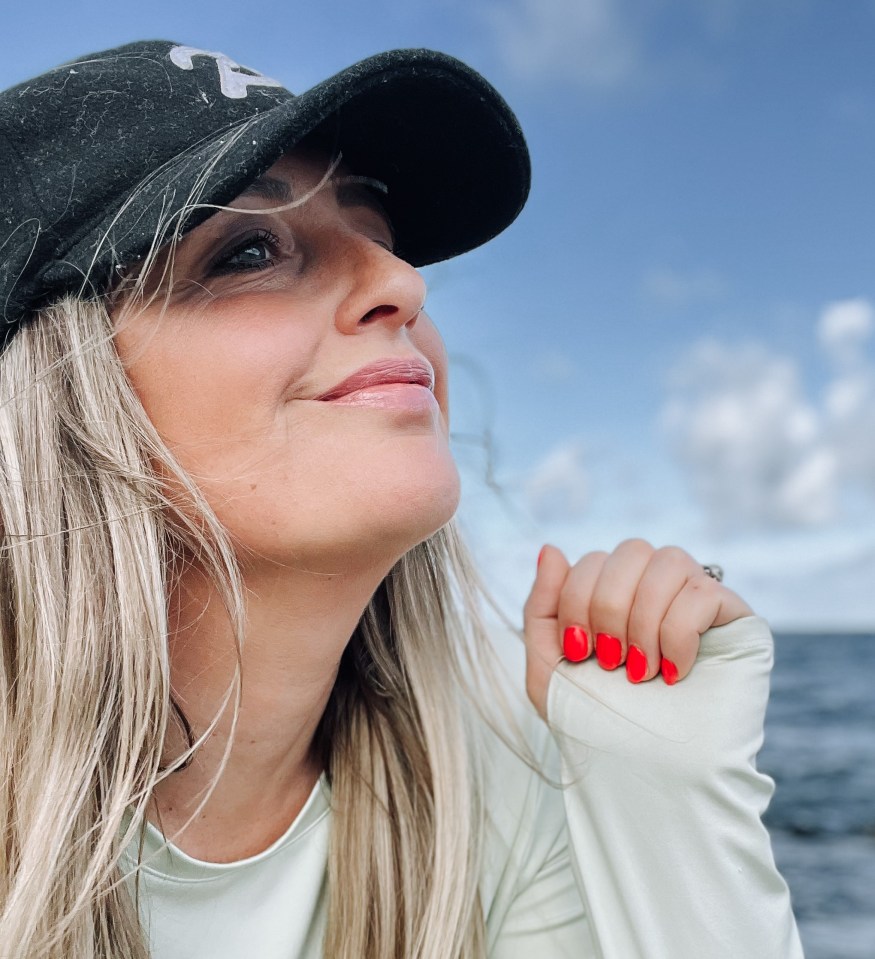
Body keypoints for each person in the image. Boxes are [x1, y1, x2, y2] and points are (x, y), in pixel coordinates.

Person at [0, 40, 802, 959]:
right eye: (249, 249)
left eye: (376, 236)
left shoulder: (494, 799)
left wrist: (668, 805)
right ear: (51, 394)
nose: (403, 282)